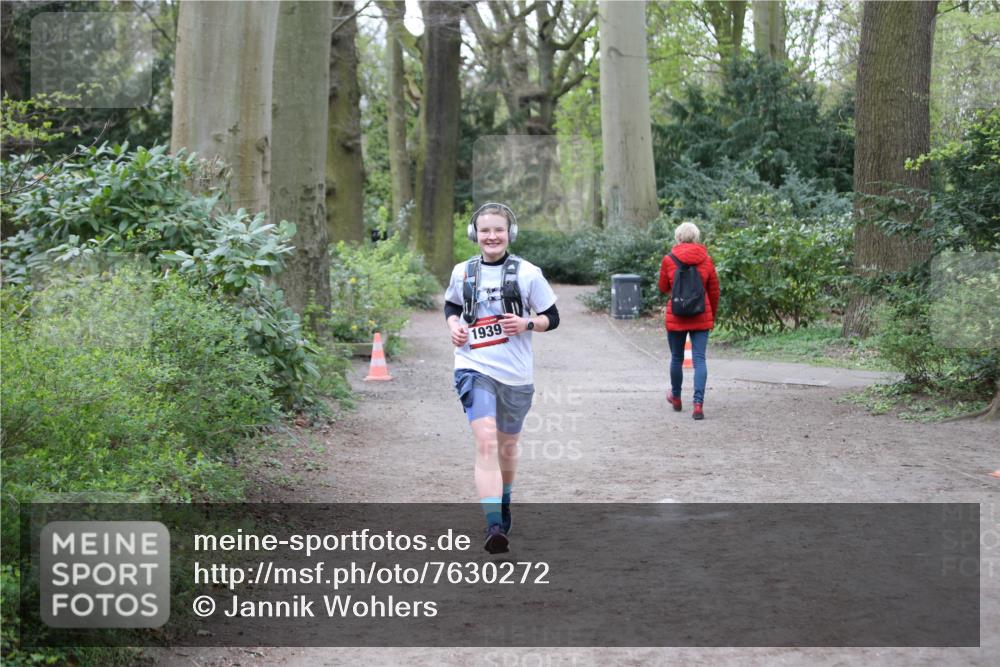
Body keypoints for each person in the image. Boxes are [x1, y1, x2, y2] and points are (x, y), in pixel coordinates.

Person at [444, 203, 560, 554]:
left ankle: (504, 499)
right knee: (486, 442)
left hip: (515, 375)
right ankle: (493, 524)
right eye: (484, 230)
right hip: (473, 367)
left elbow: (551, 317)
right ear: (474, 234)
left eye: (498, 229)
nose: (491, 236)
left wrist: (527, 323)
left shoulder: (527, 273)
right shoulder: (462, 272)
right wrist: (454, 327)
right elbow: (451, 307)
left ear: (510, 233)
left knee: (507, 447)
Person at [657, 221, 720, 420]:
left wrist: (677, 295)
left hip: (676, 314)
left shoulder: (668, 260)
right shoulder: (706, 260)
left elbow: (662, 287)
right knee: (699, 360)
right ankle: (698, 404)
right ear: (696, 238)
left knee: (677, 358)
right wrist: (713, 314)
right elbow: (714, 291)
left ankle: (676, 397)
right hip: (701, 315)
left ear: (678, 238)